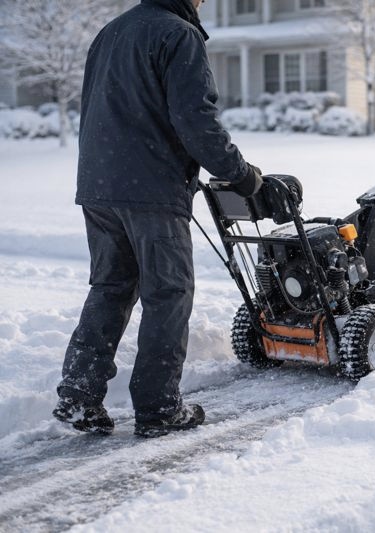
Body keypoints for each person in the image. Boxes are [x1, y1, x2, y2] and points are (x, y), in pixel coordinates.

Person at [52, 0, 262, 438]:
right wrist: (241, 175)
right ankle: (159, 406)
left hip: (100, 184)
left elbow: (98, 108)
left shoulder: (112, 31)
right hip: (149, 188)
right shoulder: (177, 34)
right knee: (169, 293)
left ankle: (78, 395)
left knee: (110, 288)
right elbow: (195, 120)